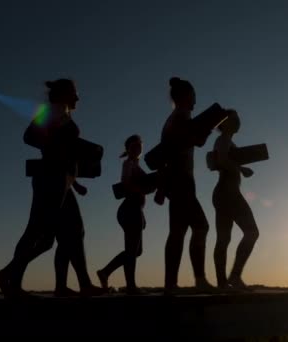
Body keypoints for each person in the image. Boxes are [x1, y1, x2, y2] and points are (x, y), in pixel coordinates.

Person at [0, 78, 104, 298]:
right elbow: (30, 136)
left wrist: (76, 181)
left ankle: (81, 284)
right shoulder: (52, 111)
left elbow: (64, 154)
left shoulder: (63, 114)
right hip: (50, 181)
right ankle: (10, 278)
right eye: (74, 92)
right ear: (63, 94)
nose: (78, 97)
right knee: (40, 235)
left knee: (73, 231)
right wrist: (58, 142)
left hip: (63, 181)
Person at [159, 77, 214, 293]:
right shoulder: (180, 116)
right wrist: (210, 124)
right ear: (184, 97)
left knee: (178, 231)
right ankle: (198, 280)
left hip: (178, 180)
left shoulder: (175, 118)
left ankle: (171, 283)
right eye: (193, 97)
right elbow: (196, 140)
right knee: (200, 226)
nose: (195, 102)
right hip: (181, 180)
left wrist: (163, 187)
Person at [211, 110, 259, 290]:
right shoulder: (223, 140)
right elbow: (221, 161)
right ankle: (232, 277)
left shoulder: (228, 141)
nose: (239, 121)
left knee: (224, 238)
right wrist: (239, 168)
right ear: (226, 123)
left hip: (226, 193)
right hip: (227, 192)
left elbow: (225, 161)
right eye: (235, 118)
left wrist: (241, 168)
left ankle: (225, 281)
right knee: (251, 232)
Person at [97, 135, 148, 295]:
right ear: (128, 149)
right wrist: (141, 189)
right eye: (134, 146)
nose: (137, 148)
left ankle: (105, 271)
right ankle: (131, 286)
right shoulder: (128, 163)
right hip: (130, 209)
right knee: (132, 250)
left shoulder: (136, 165)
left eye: (139, 145)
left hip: (136, 210)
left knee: (136, 250)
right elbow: (125, 183)